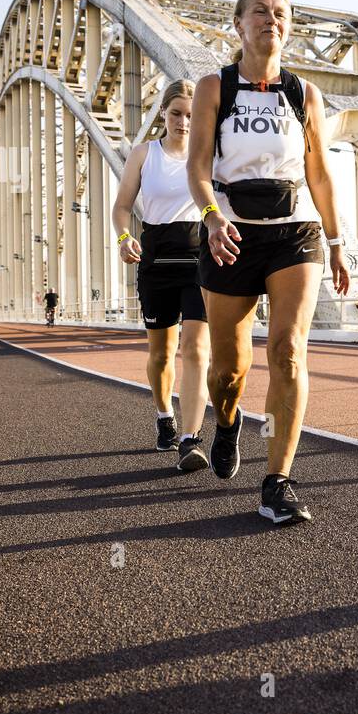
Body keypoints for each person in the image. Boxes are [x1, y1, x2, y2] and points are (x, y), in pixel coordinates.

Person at [187, 0, 351, 524]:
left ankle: (278, 482)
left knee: (287, 351)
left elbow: (320, 173)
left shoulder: (304, 94)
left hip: (293, 233)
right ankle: (228, 422)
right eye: (260, 11)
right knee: (228, 370)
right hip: (230, 234)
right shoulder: (215, 87)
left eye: (280, 14)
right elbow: (197, 167)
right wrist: (211, 218)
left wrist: (335, 242)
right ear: (238, 23)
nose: (271, 20)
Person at [113, 79, 211, 462]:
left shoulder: (207, 155)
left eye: (191, 115)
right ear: (163, 114)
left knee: (196, 348)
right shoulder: (143, 155)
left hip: (198, 262)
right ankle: (164, 416)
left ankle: (190, 438)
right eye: (176, 114)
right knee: (161, 354)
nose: (184, 122)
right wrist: (124, 238)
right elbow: (122, 207)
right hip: (155, 263)